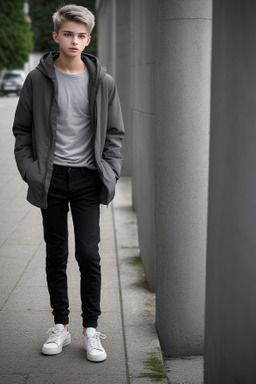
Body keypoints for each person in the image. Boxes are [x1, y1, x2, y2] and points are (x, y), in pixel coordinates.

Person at [12, 4, 124, 363]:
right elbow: (22, 130)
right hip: (51, 177)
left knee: (88, 254)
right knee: (56, 253)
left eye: (81, 35)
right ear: (56, 36)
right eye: (68, 34)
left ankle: (91, 329)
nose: (74, 40)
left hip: (89, 178)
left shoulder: (102, 81)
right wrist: (30, 171)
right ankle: (60, 325)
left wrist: (111, 168)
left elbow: (115, 133)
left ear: (88, 38)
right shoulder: (36, 79)